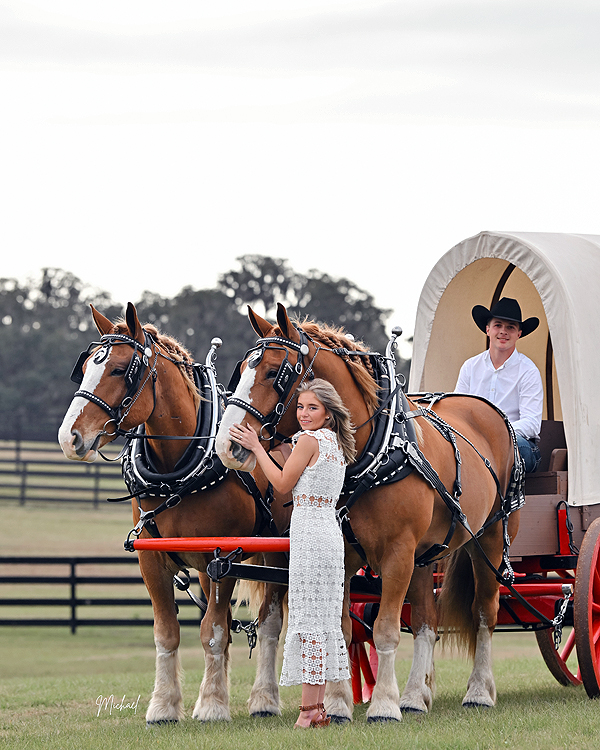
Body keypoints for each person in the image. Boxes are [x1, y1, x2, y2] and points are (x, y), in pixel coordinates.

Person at [229, 378, 355, 729]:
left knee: (310, 622)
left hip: (311, 535)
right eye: (300, 407)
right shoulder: (336, 442)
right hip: (328, 533)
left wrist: (257, 448)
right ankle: (317, 708)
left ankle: (308, 711)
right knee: (322, 622)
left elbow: (283, 484)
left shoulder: (310, 441)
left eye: (312, 407)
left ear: (328, 412)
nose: (304, 414)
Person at [455, 297, 543, 473]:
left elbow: (532, 423)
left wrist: (496, 433)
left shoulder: (528, 371)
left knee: (515, 448)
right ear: (487, 329)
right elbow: (457, 410)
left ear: (519, 334)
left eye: (510, 327)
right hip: (474, 441)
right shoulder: (470, 367)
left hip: (515, 442)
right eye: (498, 325)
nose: (503, 331)